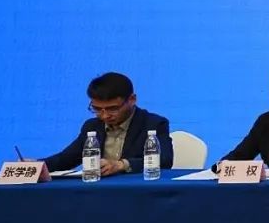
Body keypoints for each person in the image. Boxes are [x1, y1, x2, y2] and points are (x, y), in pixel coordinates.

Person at [40, 72, 173, 175]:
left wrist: (121, 165)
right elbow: (66, 159)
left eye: (113, 109)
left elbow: (164, 160)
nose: (104, 116)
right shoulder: (92, 126)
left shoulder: (153, 123)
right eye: (97, 109)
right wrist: (37, 165)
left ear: (132, 100)